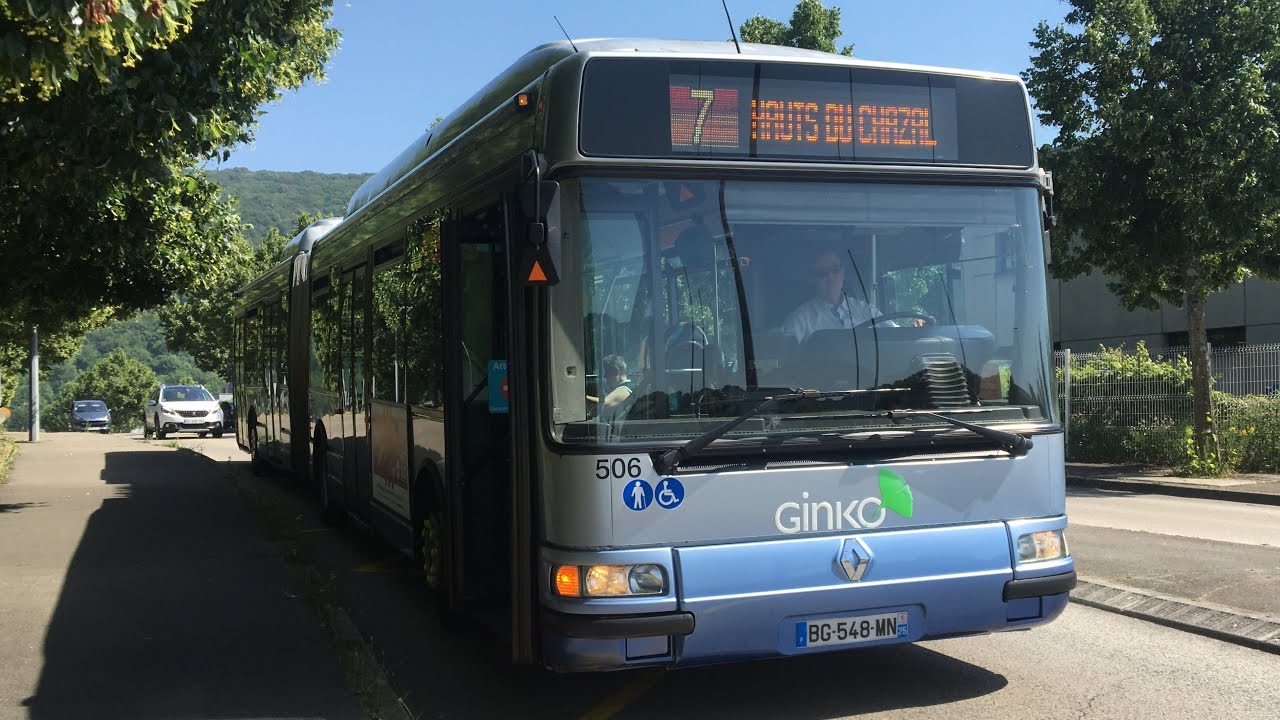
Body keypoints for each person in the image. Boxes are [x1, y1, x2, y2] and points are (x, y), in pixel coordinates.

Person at [780, 249, 885, 343]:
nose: (830, 277)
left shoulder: (867, 311)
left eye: (835, 269)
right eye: (822, 272)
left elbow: (896, 336)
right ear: (812, 279)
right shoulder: (801, 319)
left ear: (843, 272)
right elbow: (780, 351)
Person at [587, 354, 634, 422]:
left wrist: (583, 398)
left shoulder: (624, 389)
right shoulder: (621, 388)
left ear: (615, 371)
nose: (605, 377)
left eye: (607, 373)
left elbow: (605, 402)